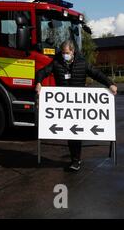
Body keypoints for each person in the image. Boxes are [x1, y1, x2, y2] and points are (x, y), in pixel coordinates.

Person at [35, 40, 118, 172]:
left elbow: (97, 74)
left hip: (80, 105)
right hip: (63, 105)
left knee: (76, 132)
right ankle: (75, 159)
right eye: (62, 53)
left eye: (67, 53)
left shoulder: (82, 63)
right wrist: (38, 82)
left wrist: (110, 84)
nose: (64, 55)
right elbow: (42, 72)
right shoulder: (56, 63)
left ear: (73, 52)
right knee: (70, 132)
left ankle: (75, 160)